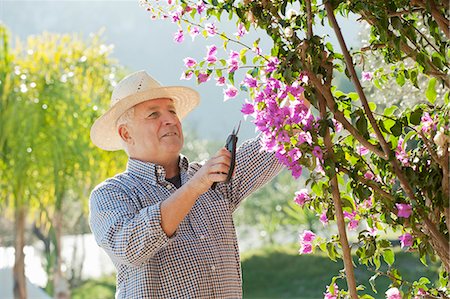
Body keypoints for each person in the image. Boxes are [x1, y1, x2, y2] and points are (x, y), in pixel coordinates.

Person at [89, 70, 284, 298]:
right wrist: (195, 186)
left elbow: (278, 142)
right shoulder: (111, 194)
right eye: (153, 114)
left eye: (172, 111)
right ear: (126, 133)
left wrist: (300, 92)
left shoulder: (213, 178)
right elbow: (130, 247)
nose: (171, 119)